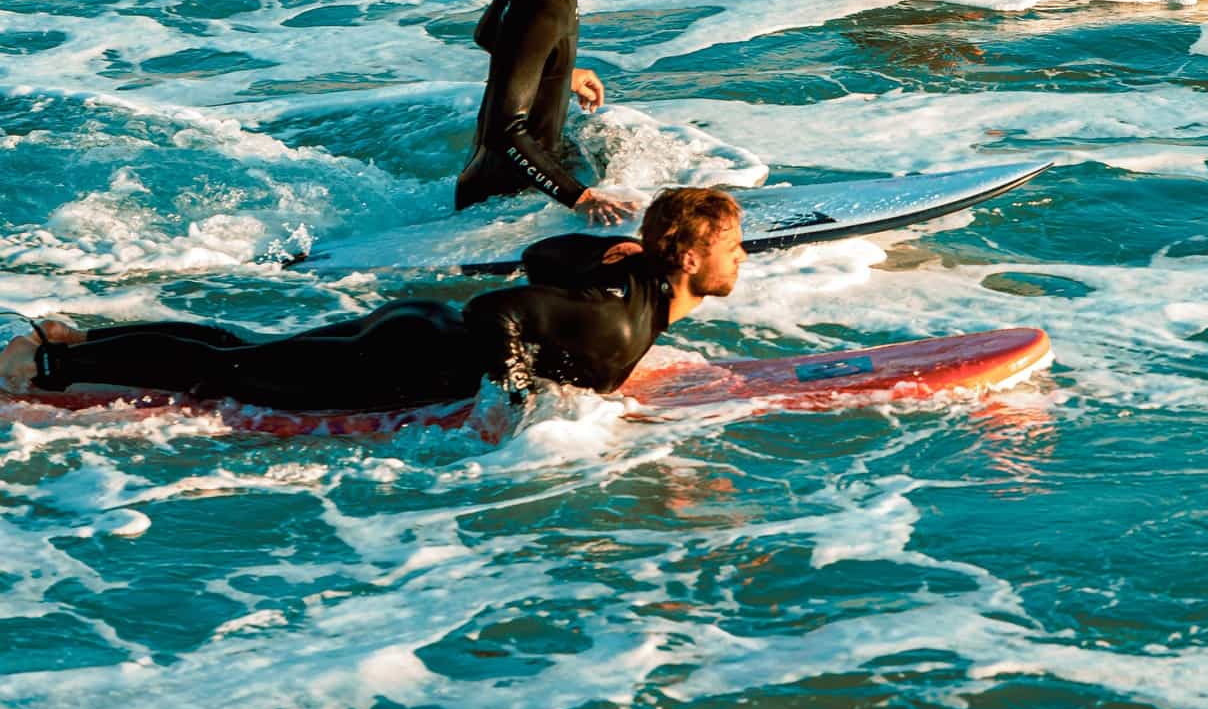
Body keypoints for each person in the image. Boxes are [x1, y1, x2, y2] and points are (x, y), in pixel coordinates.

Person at [1, 189, 745, 412]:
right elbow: (500, 314)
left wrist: (605, 251)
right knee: (229, 371)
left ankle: (75, 342)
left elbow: (540, 256)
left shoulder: (629, 279)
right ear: (686, 258)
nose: (741, 258)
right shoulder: (619, 320)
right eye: (731, 247)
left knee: (239, 343)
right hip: (408, 359)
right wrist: (515, 399)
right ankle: (48, 366)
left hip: (416, 331)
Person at [457, 0, 635, 223]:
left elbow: (488, 34)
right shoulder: (546, 6)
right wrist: (580, 198)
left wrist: (559, 72)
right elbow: (505, 131)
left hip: (509, 183)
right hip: (505, 204)